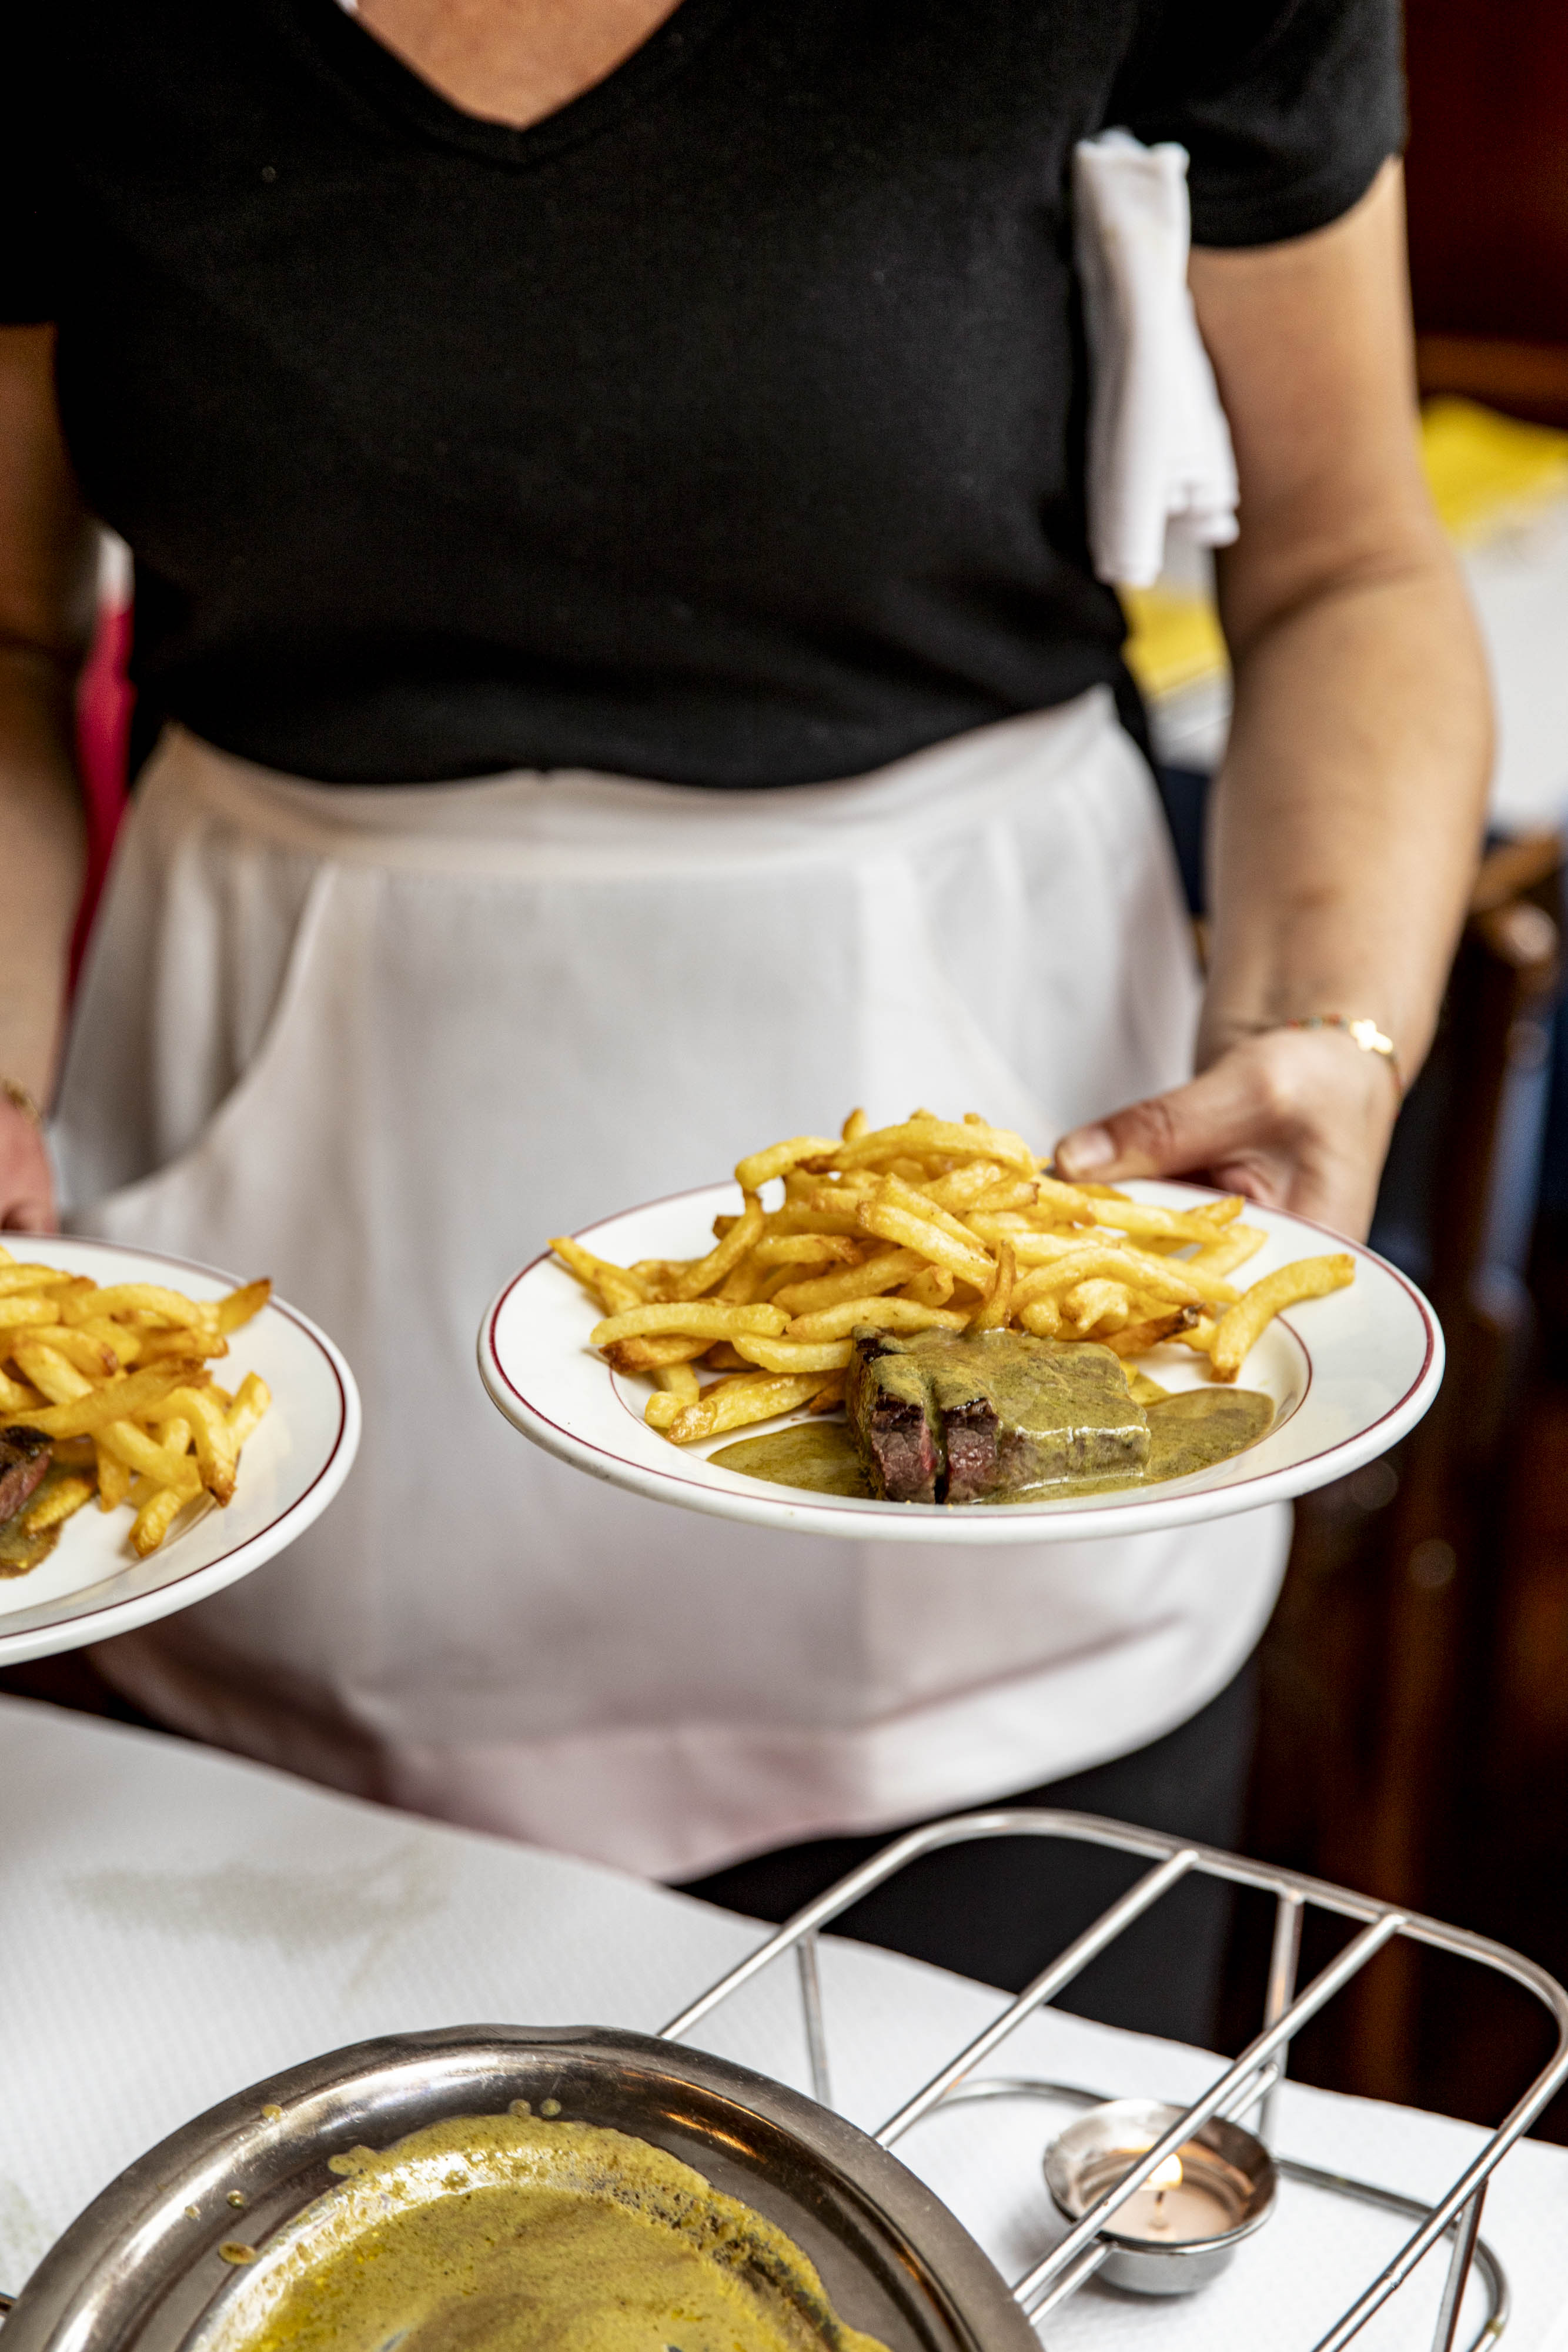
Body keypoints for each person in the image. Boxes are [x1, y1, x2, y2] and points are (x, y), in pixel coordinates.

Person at [1, 0, 1488, 2042]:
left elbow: (1344, 562)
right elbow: (9, 628)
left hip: (1016, 1263)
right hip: (285, 1330)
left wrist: (1331, 1020)